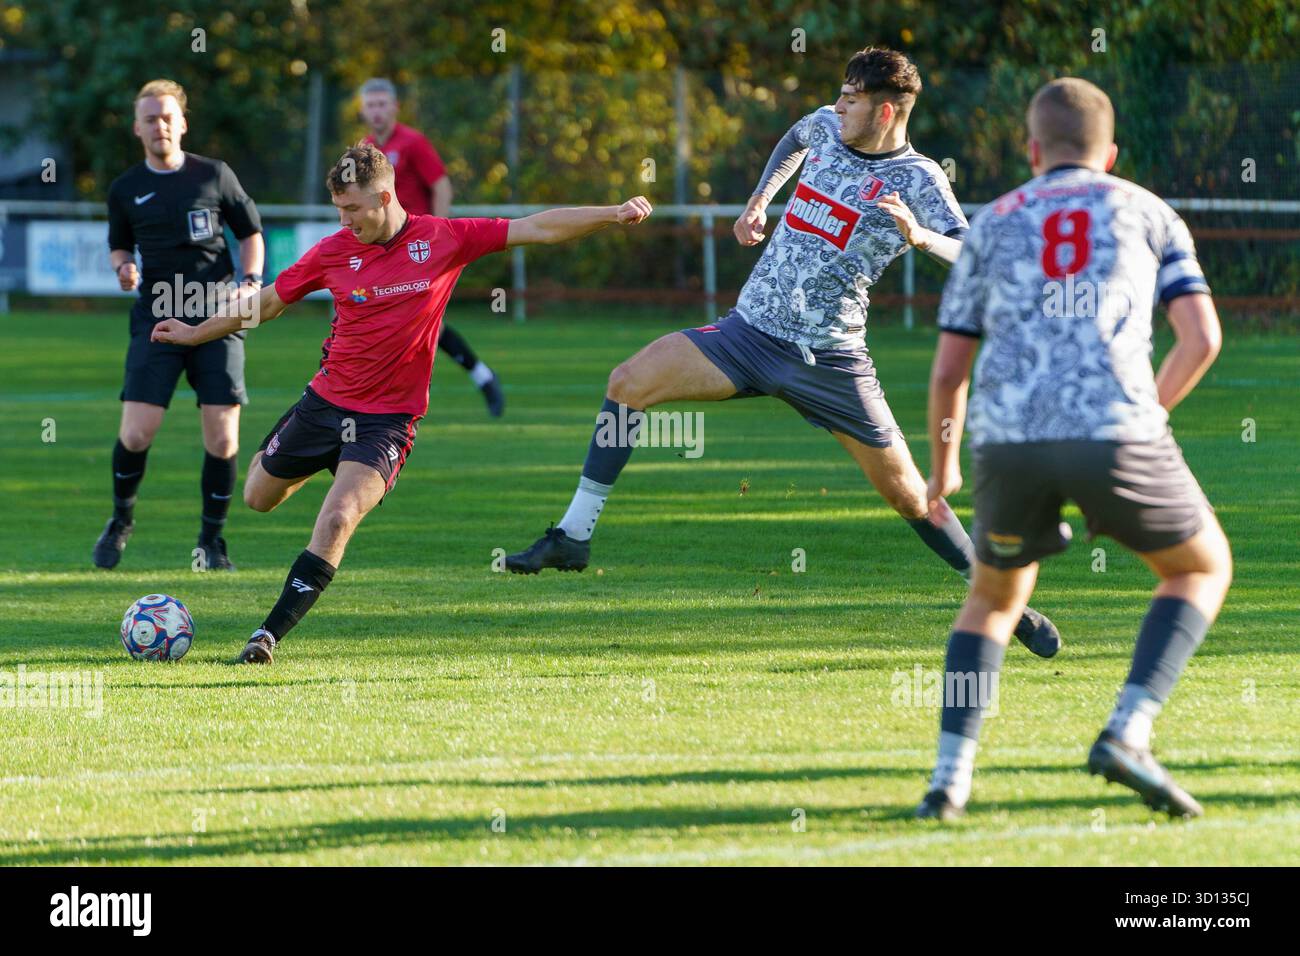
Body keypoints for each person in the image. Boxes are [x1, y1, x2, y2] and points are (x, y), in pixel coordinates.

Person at [505, 47, 1061, 658]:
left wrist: (921, 235)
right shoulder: (826, 124)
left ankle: (1005, 606)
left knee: (912, 497)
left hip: (832, 362)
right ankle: (573, 536)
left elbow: (973, 254)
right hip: (748, 336)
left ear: (883, 112)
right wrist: (759, 200)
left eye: (851, 97)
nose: (838, 104)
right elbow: (795, 138)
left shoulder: (919, 178)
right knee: (627, 382)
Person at [151, 142, 653, 663]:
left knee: (339, 516)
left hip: (386, 423)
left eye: (352, 209)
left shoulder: (443, 238)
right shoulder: (333, 251)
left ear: (385, 196)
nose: (344, 221)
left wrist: (612, 215)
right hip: (323, 405)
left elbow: (537, 227)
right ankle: (306, 458)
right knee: (257, 496)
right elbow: (271, 302)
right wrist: (195, 334)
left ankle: (266, 636)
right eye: (337, 210)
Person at [916, 77, 1232, 820]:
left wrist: (943, 466)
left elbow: (948, 369)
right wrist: (1149, 410)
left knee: (991, 601)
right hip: (1116, 431)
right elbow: (1203, 339)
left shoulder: (992, 224)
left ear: (1031, 151)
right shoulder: (1148, 210)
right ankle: (1127, 731)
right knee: (1201, 567)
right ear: (1111, 153)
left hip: (1007, 438)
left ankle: (948, 781)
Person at [96, 78, 265, 571]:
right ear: (137, 127)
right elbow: (119, 245)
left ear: (183, 122)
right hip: (157, 319)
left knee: (223, 439)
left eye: (168, 116)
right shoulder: (125, 189)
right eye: (150, 118)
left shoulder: (215, 175)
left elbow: (251, 233)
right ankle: (121, 520)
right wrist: (123, 267)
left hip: (219, 316)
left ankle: (212, 543)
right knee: (136, 434)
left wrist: (252, 279)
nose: (160, 125)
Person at [360, 77, 505, 416]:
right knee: (405, 318)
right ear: (363, 110)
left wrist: (438, 238)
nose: (377, 111)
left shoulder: (412, 142)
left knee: (420, 319)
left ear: (395, 107)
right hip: (385, 250)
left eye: (383, 104)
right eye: (371, 105)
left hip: (418, 249)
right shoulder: (366, 149)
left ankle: (470, 378)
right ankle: (479, 376)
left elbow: (441, 187)